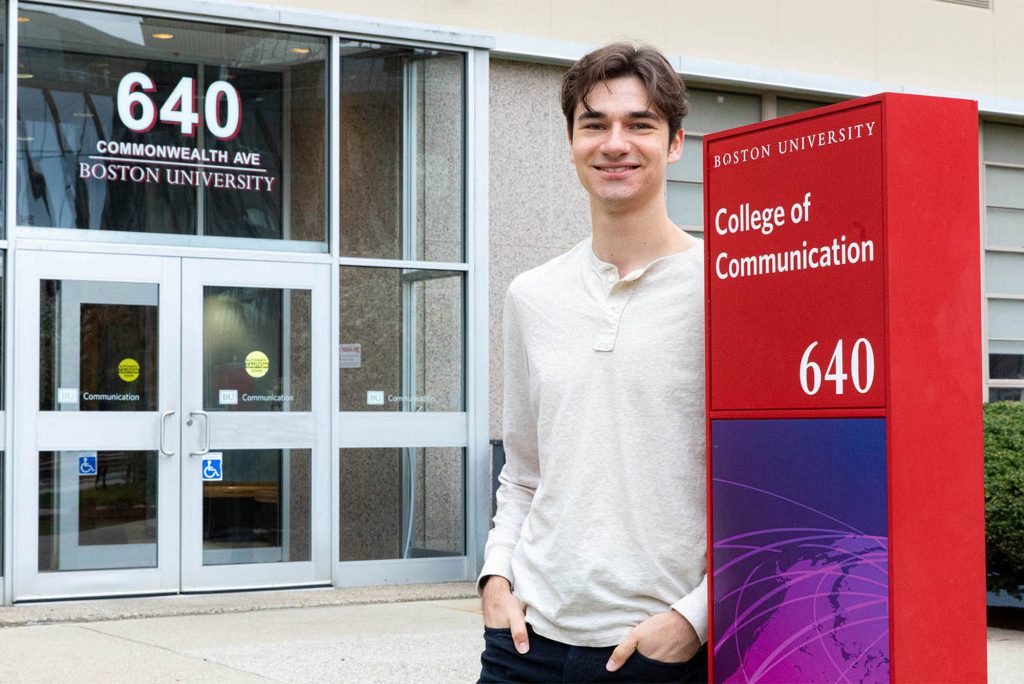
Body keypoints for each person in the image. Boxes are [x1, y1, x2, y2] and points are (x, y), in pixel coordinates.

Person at [478, 42, 708, 683]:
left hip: (663, 652)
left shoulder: (725, 287)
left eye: (639, 124)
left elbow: (768, 488)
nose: (615, 143)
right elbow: (523, 472)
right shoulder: (532, 295)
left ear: (675, 143)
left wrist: (697, 619)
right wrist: (496, 577)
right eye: (594, 125)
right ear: (571, 142)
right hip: (524, 646)